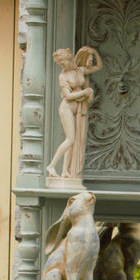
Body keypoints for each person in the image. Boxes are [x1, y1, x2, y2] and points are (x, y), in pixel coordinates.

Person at [47, 46, 103, 181]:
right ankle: (51, 166)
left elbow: (99, 67)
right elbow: (67, 96)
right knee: (70, 139)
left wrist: (94, 52)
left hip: (77, 109)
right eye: (60, 64)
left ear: (70, 59)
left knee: (73, 141)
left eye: (63, 63)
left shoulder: (80, 71)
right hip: (67, 108)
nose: (62, 66)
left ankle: (65, 170)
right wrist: (85, 92)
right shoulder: (63, 76)